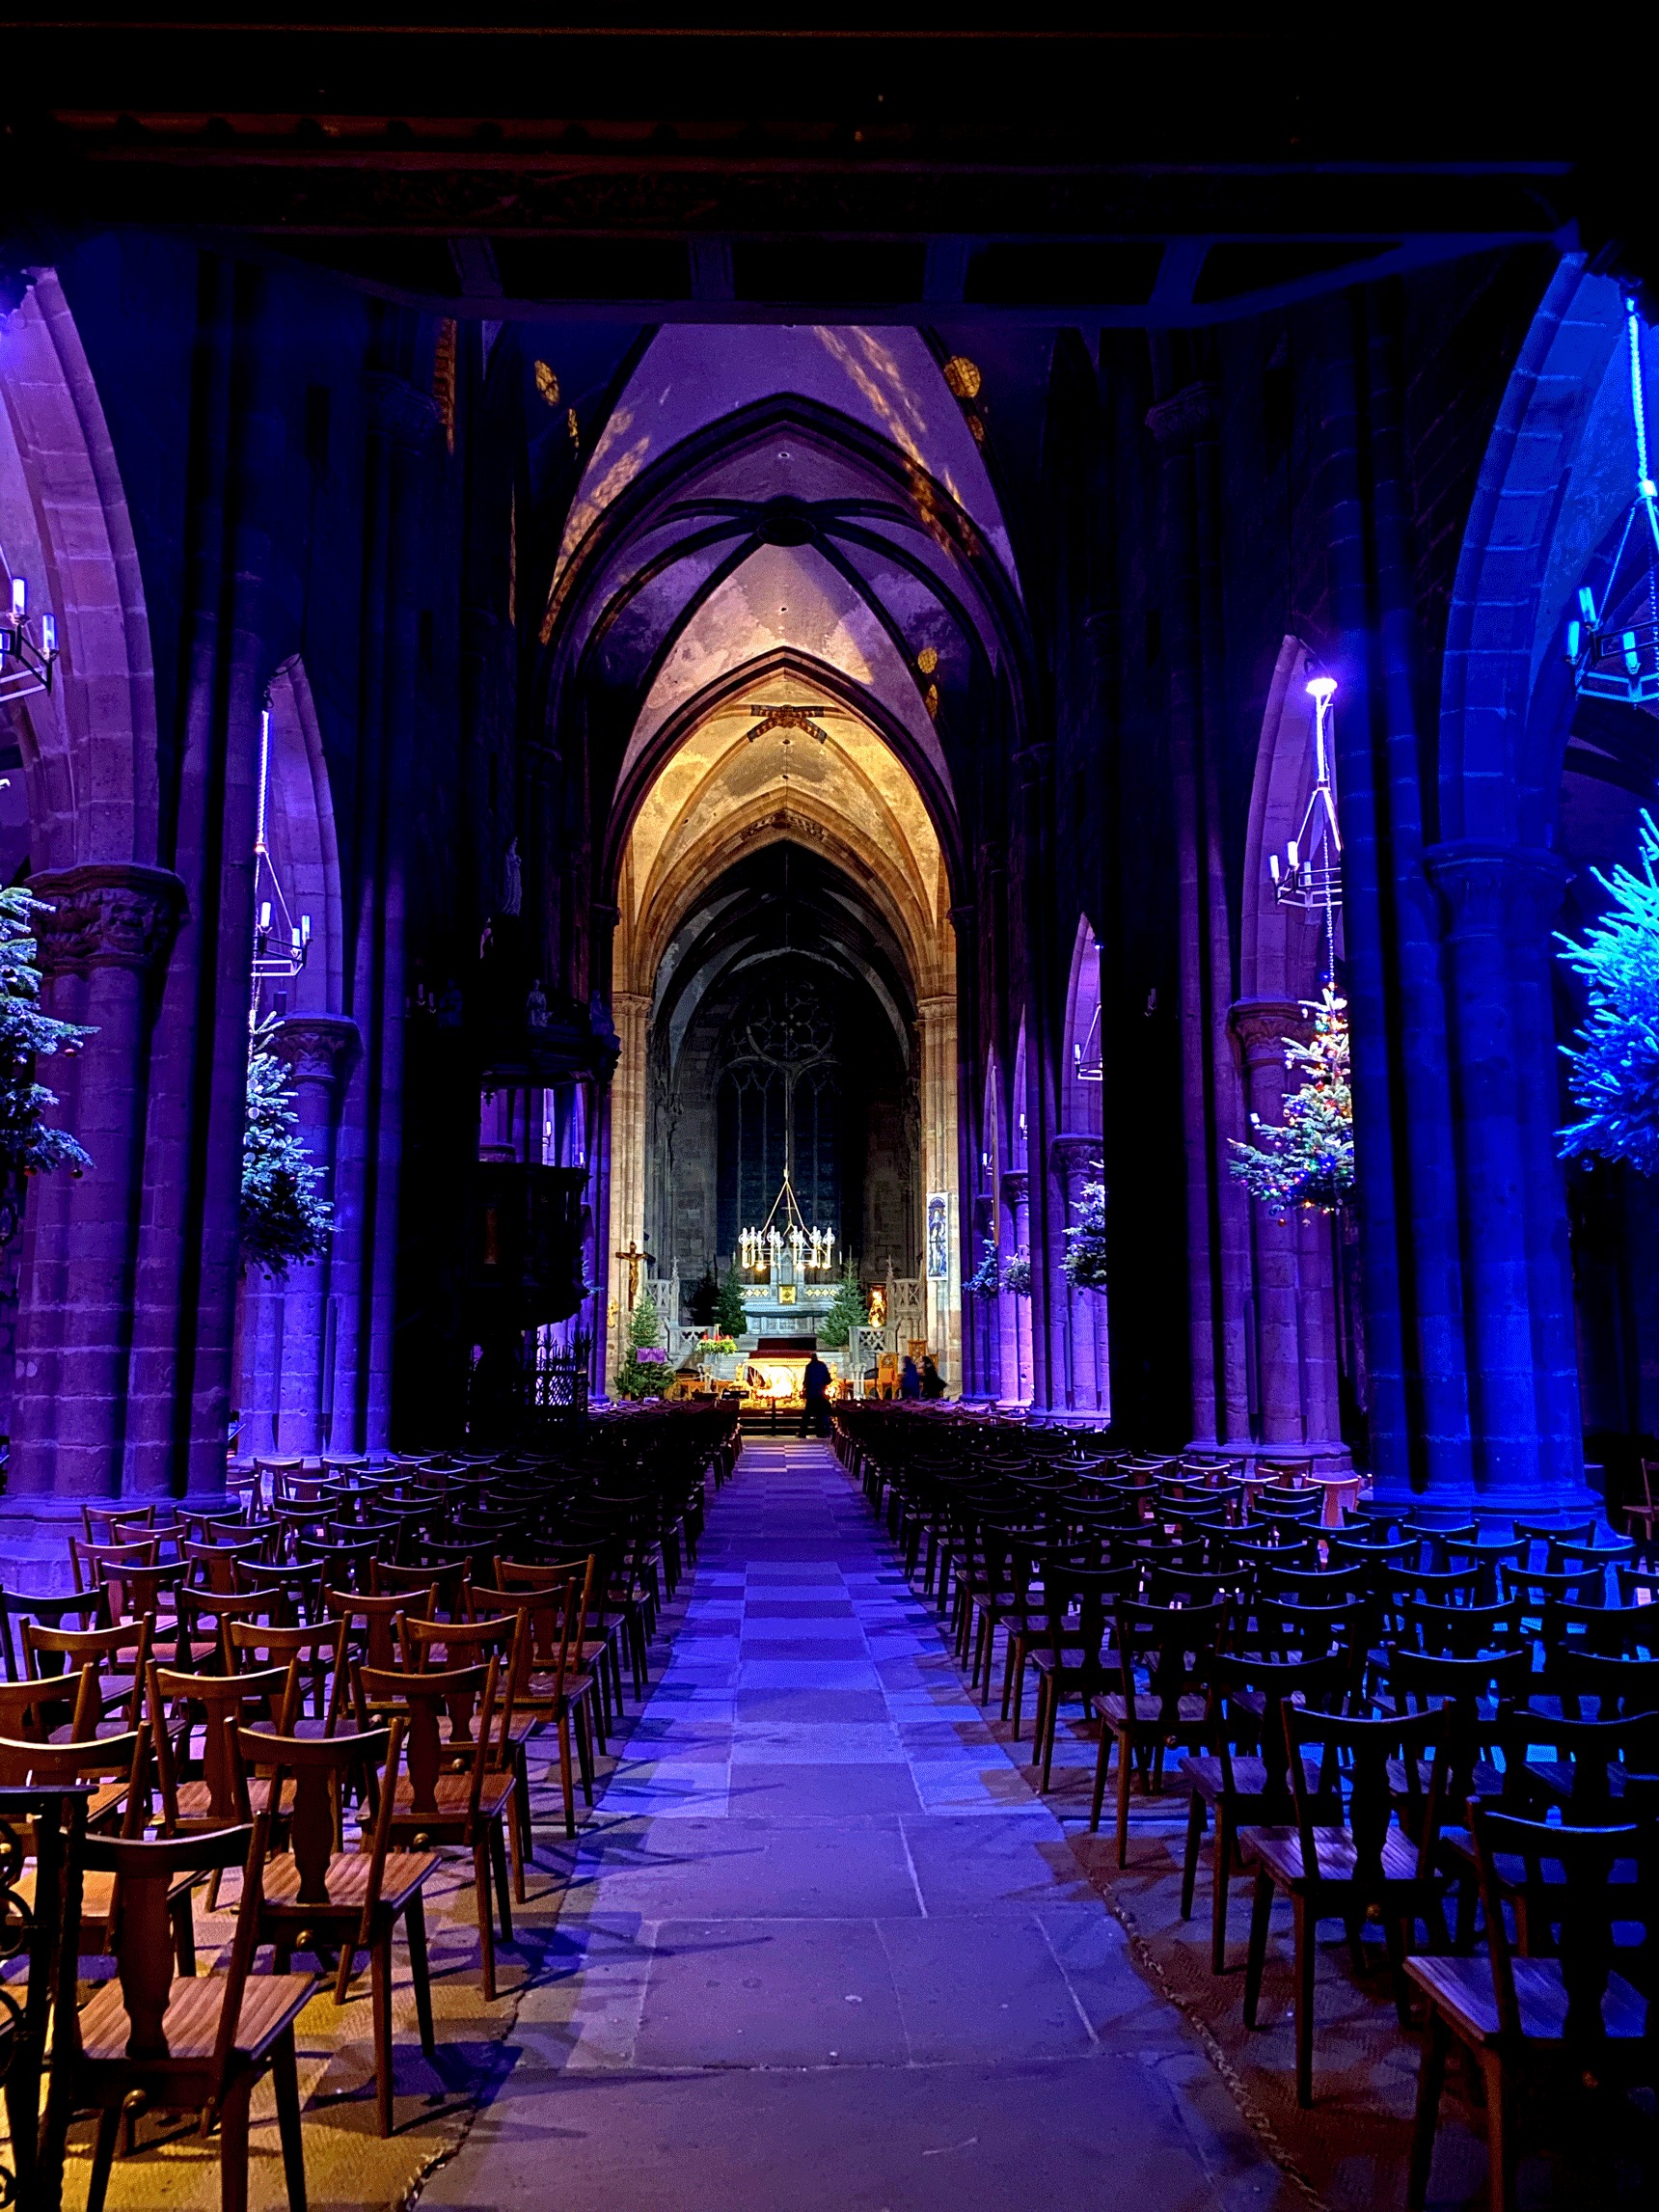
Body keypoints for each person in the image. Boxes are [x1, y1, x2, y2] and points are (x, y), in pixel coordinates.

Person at [801, 1351, 832, 1435]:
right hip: (820, 1393)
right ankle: (820, 1432)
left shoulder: (809, 1366)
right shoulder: (822, 1366)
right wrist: (823, 1385)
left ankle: (803, 1432)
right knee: (819, 1414)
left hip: (811, 1393)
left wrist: (805, 1388)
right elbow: (828, 1379)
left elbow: (806, 1380)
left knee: (807, 1414)